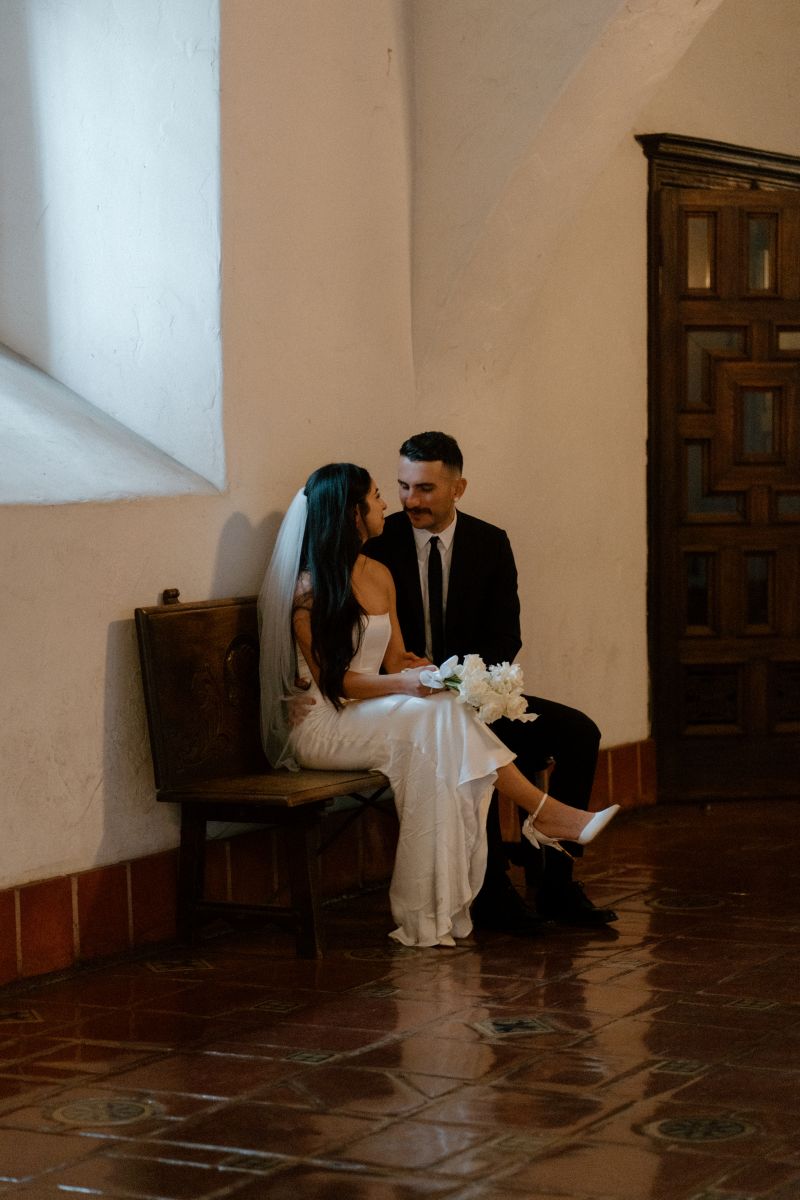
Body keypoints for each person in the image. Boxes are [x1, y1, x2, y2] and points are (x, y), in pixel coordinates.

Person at [258, 462, 618, 948]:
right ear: (351, 515)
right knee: (442, 717)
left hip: (372, 710)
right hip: (325, 723)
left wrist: (439, 674)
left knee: (448, 713)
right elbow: (337, 682)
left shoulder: (378, 573)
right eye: (379, 496)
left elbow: (395, 658)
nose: (388, 503)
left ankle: (444, 902)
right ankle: (544, 812)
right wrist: (409, 685)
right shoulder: (310, 588)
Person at [365, 431, 617, 932]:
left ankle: (556, 884)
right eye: (403, 487)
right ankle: (491, 889)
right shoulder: (381, 543)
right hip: (413, 701)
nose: (410, 501)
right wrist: (426, 682)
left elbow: (506, 634)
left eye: (425, 489)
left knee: (578, 732)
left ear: (459, 488)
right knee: (471, 740)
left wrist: (468, 685)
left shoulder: (489, 542)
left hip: (473, 687)